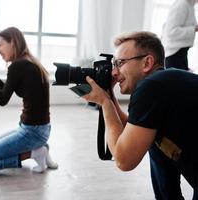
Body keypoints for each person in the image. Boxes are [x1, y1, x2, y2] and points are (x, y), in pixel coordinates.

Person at [82, 31, 198, 199]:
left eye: (120, 63)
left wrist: (105, 103)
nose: (114, 72)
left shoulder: (151, 87)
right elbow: (133, 128)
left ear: (147, 63)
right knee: (153, 138)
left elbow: (124, 160)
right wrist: (108, 96)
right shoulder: (165, 83)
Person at [0, 27, 58, 175]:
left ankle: (33, 153)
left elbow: (2, 100)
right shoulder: (28, 61)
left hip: (32, 132)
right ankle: (42, 148)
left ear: (12, 42)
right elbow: (6, 90)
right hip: (38, 129)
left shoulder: (18, 66)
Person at [161, 0, 198, 71]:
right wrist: (194, 29)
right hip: (174, 54)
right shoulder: (181, 4)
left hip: (181, 53)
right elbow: (171, 32)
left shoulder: (189, 5)